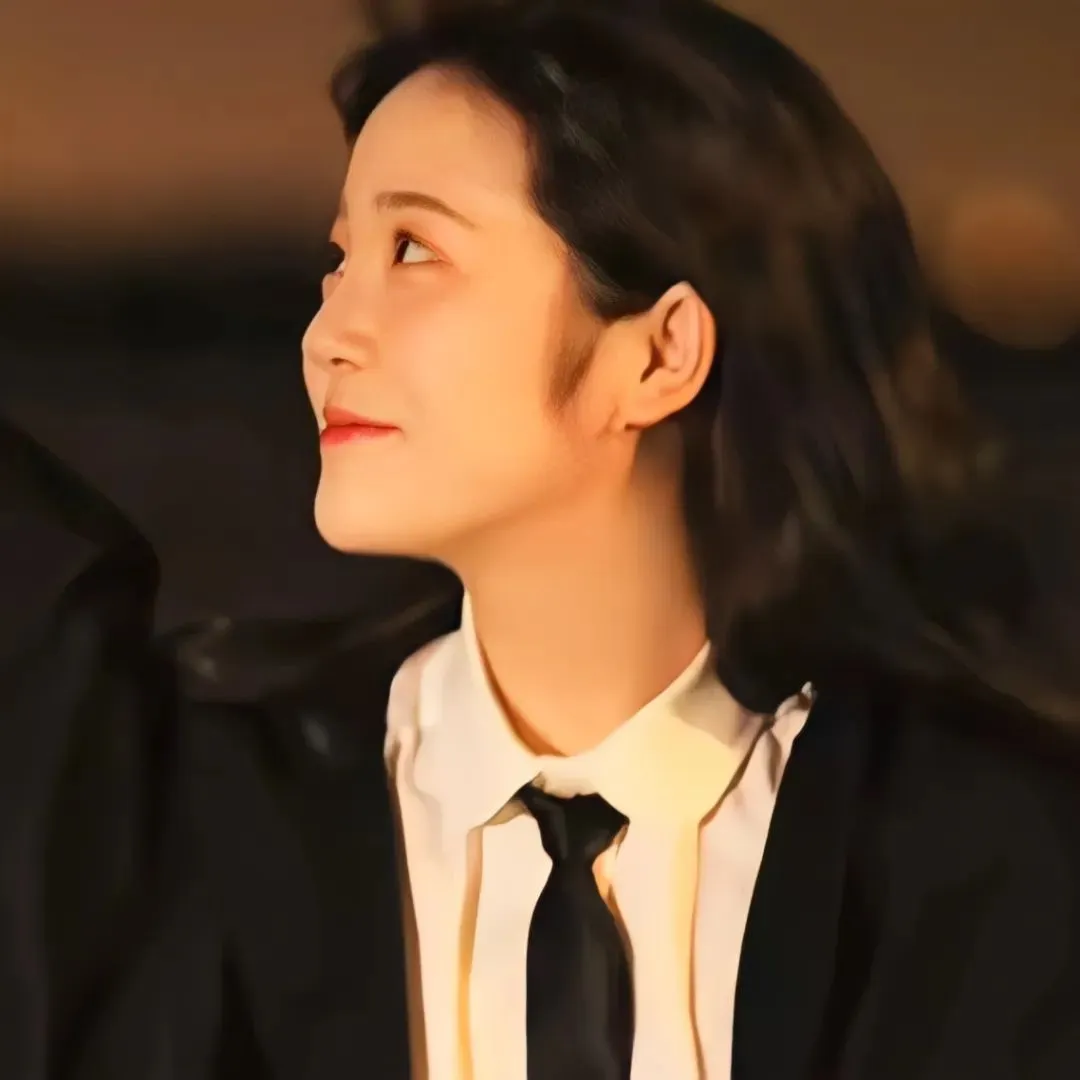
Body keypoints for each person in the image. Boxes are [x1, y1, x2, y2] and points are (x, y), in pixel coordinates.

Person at [2, 2, 1078, 1079]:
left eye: (413, 250)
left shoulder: (983, 870)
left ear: (659, 353)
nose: (327, 335)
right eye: (339, 259)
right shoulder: (193, 812)